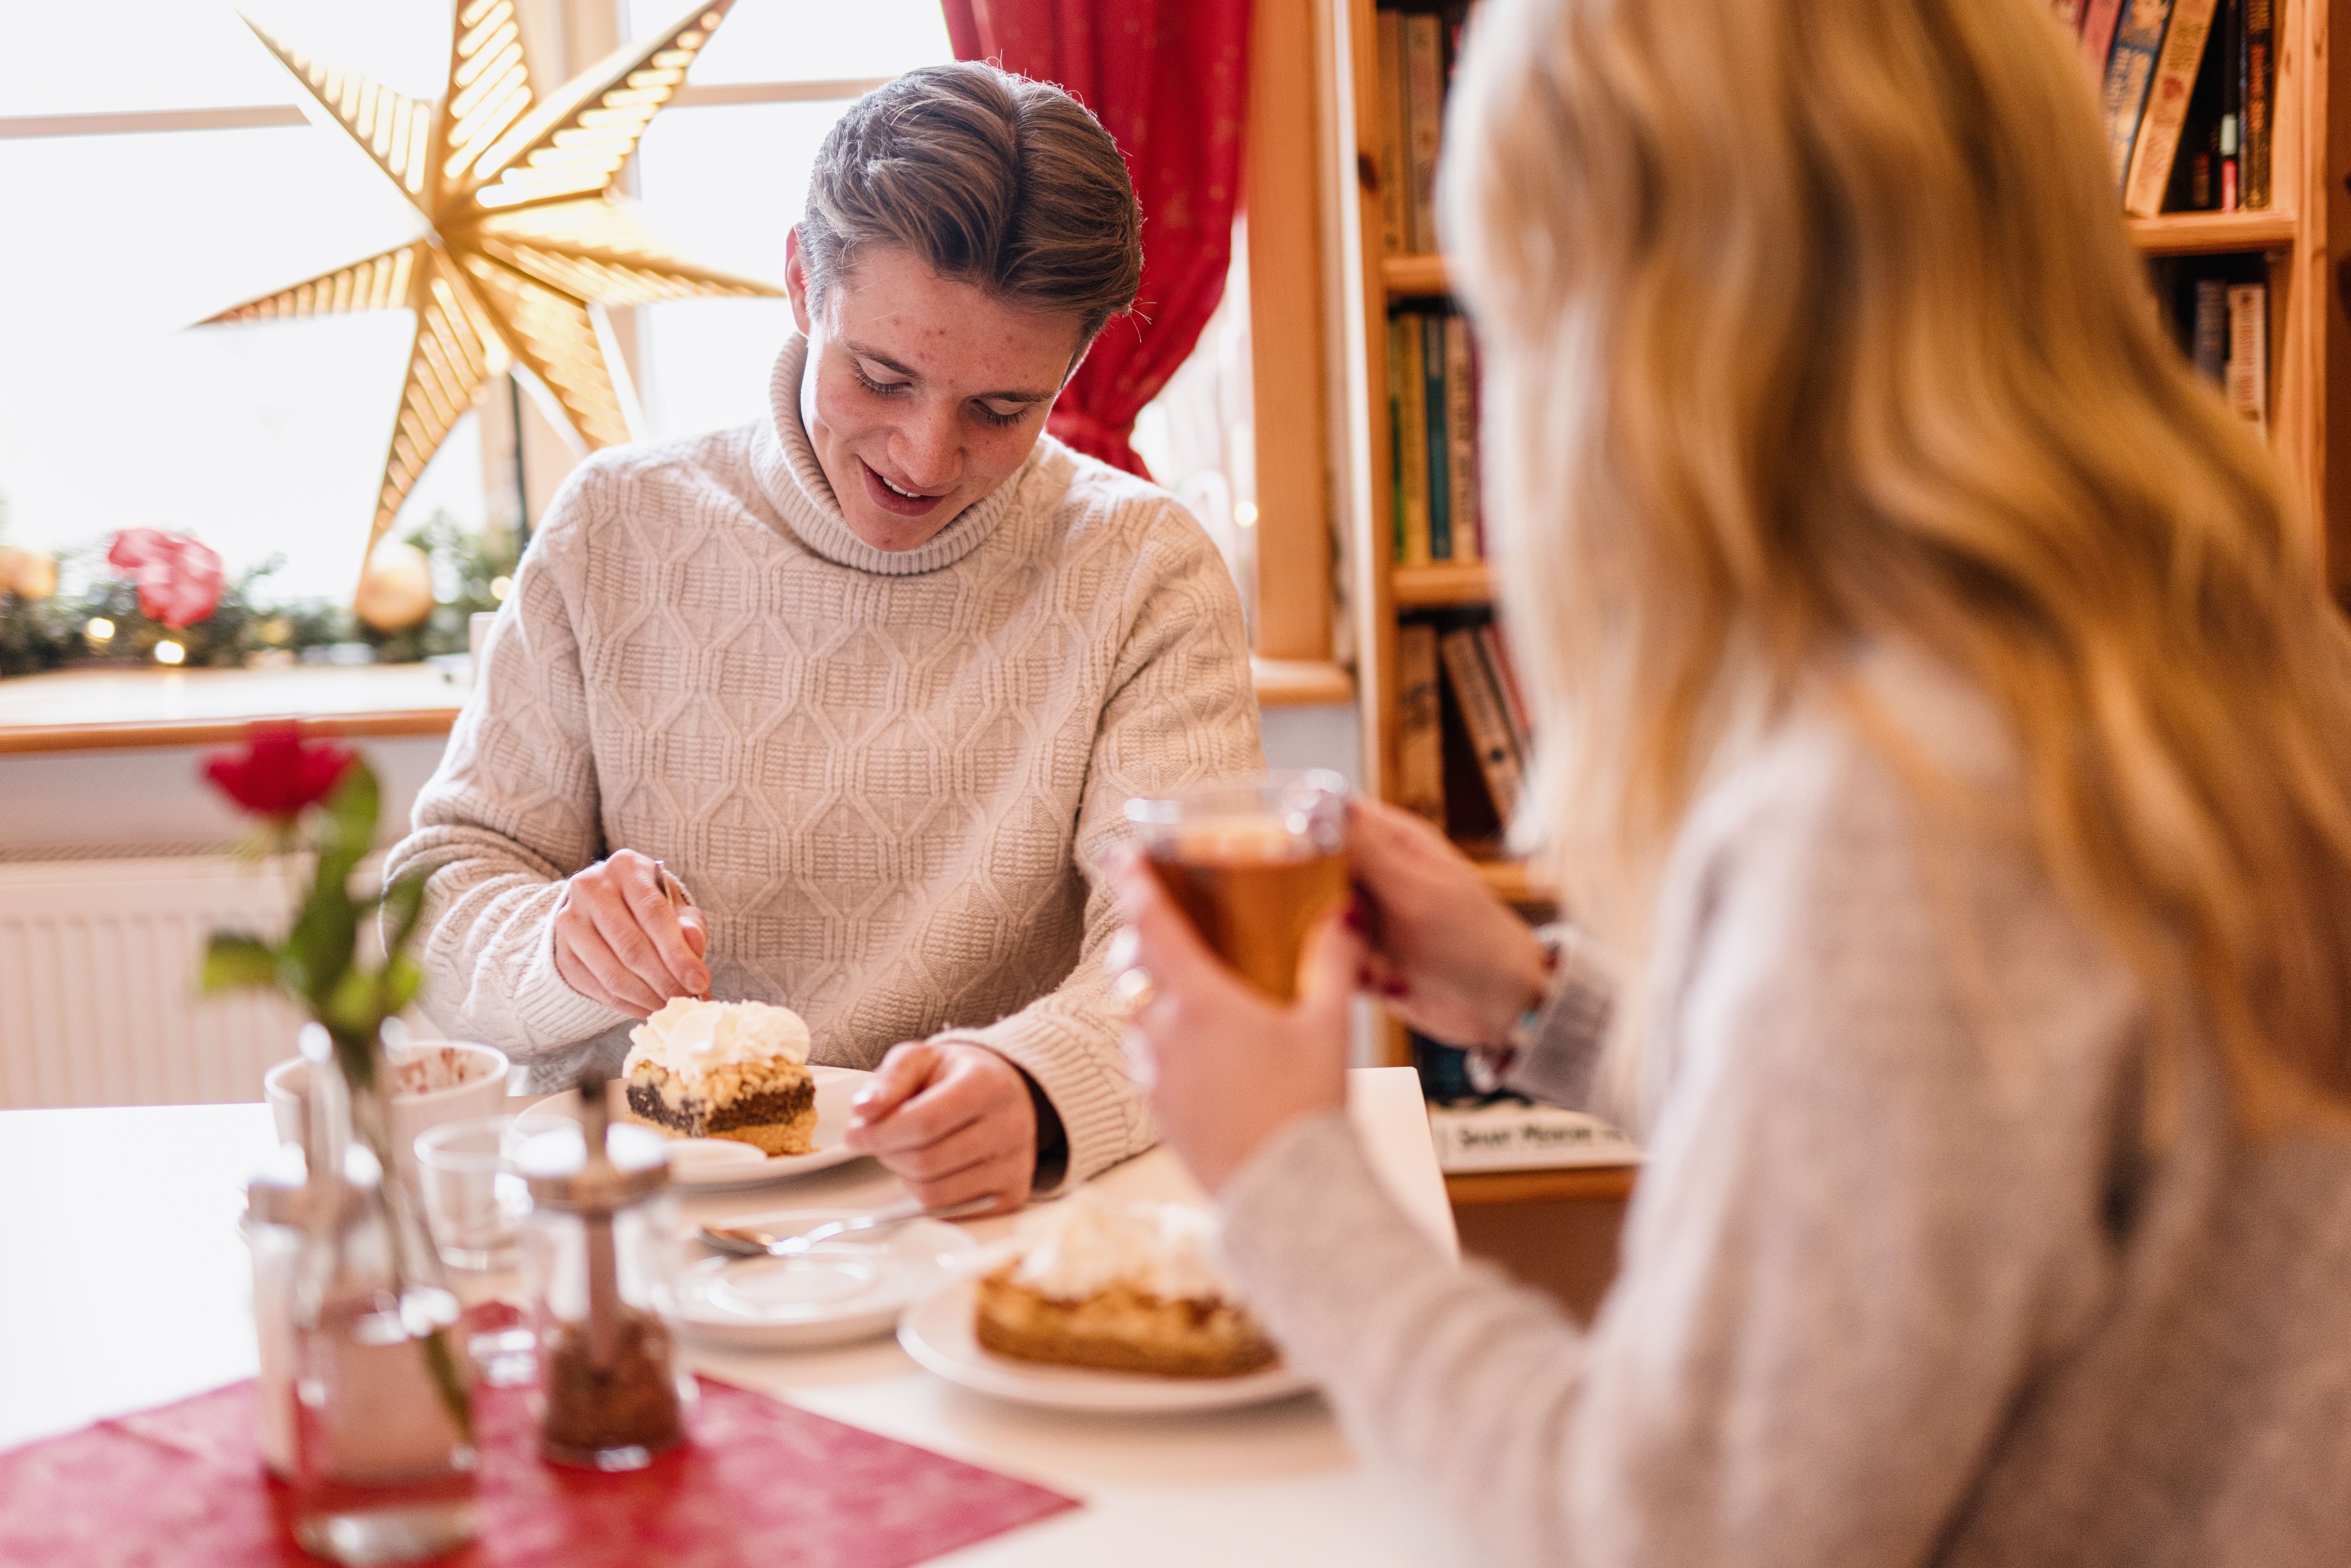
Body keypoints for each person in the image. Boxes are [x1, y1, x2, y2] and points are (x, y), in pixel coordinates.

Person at [1111, 0, 2351, 1561]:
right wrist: (1537, 1004)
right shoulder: (2197, 633)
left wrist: (1283, 1176)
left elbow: (1662, 1531)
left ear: (1654, 344)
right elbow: (1943, 1178)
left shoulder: (1896, 803)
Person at [387, 62, 1261, 1213]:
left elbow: (1193, 957)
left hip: (967, 1207)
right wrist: (560, 941)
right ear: (803, 280)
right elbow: (441, 895)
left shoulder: (1145, 567)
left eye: (1002, 409)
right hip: (642, 1216)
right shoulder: (617, 524)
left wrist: (1038, 1085)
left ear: (1076, 364)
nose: (923, 457)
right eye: (882, 375)